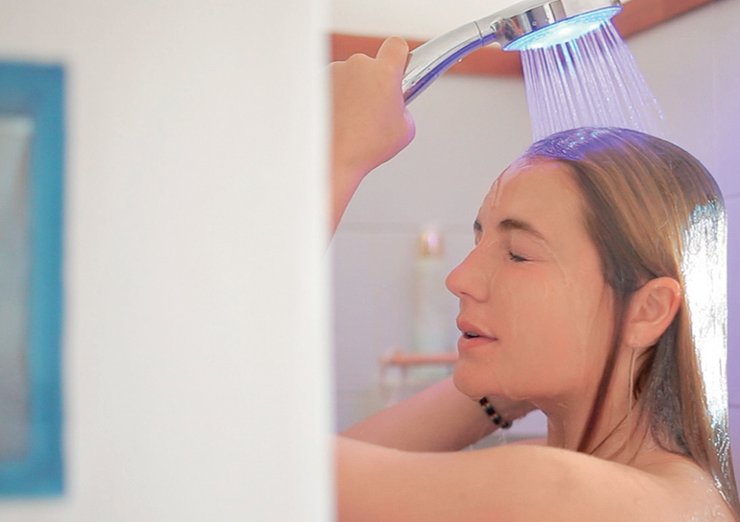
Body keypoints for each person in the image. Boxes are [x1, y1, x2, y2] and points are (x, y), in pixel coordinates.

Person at [330, 37, 740, 521]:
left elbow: (271, 481)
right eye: (478, 241)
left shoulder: (566, 494)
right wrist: (509, 377)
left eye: (518, 255)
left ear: (647, 310)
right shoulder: (655, 488)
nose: (459, 278)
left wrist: (339, 151)